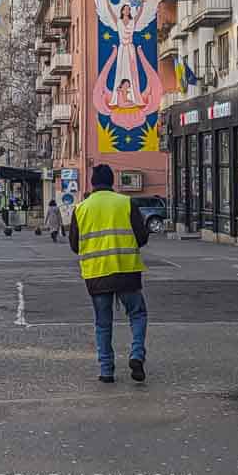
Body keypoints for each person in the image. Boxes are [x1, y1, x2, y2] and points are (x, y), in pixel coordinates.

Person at [69, 164, 149, 384]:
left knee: (103, 323)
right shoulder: (126, 203)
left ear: (93, 182)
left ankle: (106, 371)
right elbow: (142, 237)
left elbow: (75, 245)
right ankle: (136, 354)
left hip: (96, 274)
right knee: (137, 314)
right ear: (112, 181)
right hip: (126, 270)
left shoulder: (81, 208)